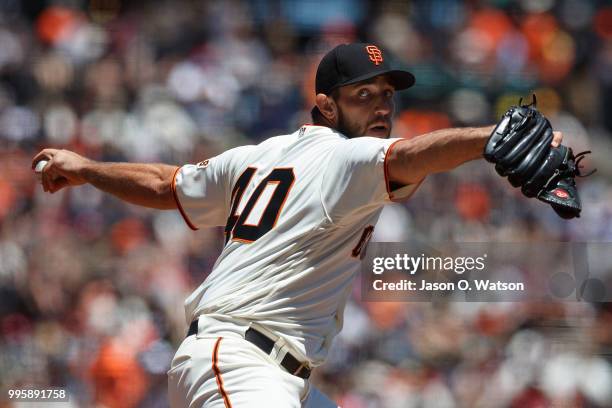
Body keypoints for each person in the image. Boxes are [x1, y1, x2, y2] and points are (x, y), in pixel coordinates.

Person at [32, 43, 562, 407]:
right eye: (363, 96)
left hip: (266, 375)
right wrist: (488, 137)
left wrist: (85, 169)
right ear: (326, 106)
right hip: (242, 365)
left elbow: (165, 185)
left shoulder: (256, 157)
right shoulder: (344, 159)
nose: (381, 107)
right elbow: (413, 154)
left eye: (387, 96)